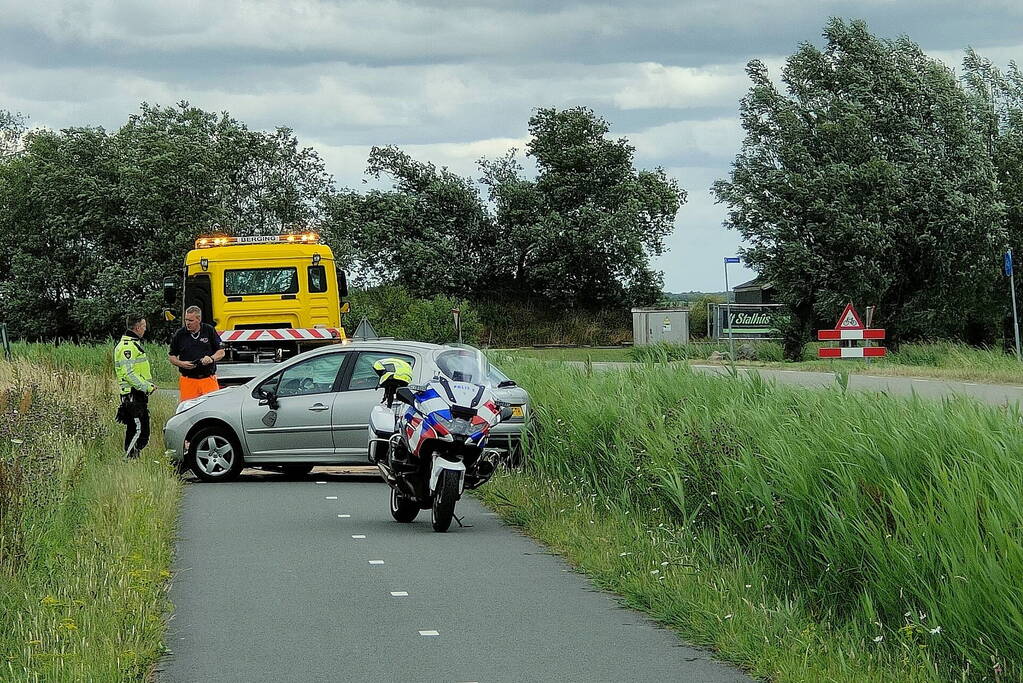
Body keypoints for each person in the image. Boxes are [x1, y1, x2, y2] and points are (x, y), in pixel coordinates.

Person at [114, 314, 156, 459]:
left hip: (137, 395)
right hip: (133, 395)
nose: (145, 329)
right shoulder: (128, 347)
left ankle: (133, 459)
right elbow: (129, 374)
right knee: (140, 432)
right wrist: (147, 387)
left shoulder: (133, 344)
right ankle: (128, 459)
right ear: (137, 327)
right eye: (144, 326)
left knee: (138, 430)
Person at [169, 306, 225, 401]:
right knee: (188, 409)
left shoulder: (209, 330)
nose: (187, 323)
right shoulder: (180, 334)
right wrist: (181, 364)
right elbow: (171, 356)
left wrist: (211, 358)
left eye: (190, 320)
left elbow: (221, 352)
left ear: (198, 319)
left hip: (208, 379)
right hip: (188, 380)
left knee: (212, 407)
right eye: (186, 320)